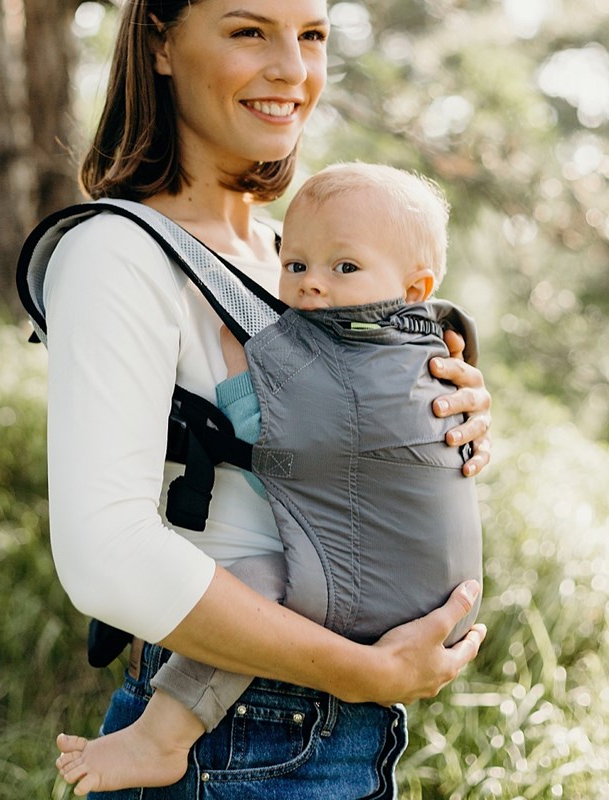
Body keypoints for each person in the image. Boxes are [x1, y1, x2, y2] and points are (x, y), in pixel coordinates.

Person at [32, 1, 490, 797]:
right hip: (232, 742)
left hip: (343, 729)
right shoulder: (118, 254)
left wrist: (451, 417)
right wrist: (365, 670)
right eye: (250, 31)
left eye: (311, 36)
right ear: (161, 44)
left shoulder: (294, 255)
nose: (292, 68)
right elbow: (105, 555)